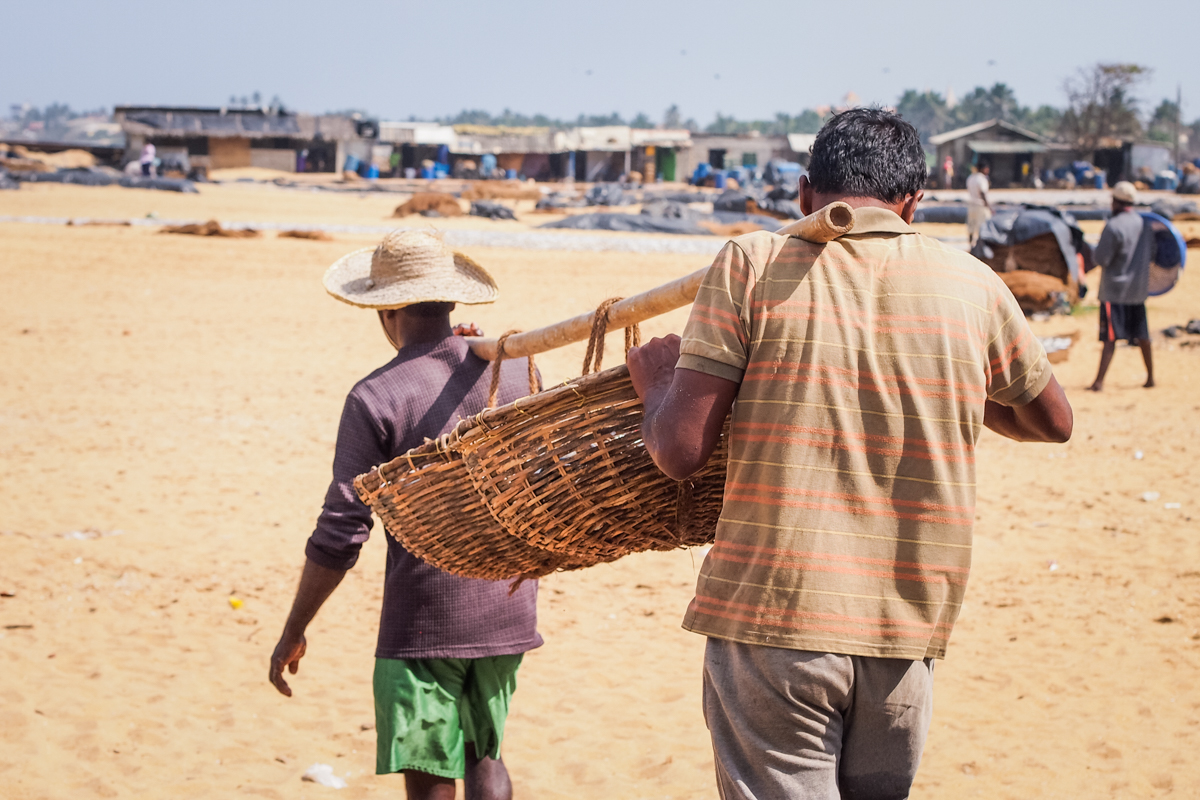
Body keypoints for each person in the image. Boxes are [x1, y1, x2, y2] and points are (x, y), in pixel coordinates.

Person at [626, 108, 1073, 800]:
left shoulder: (753, 261)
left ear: (805, 194)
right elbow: (1052, 421)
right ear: (914, 204)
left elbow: (681, 451)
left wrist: (657, 385)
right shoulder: (973, 283)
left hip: (776, 617)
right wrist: (942, 378)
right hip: (906, 630)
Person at [269, 230, 542, 800]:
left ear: (386, 310)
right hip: (508, 605)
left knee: (429, 773)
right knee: (486, 754)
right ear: (451, 301)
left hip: (425, 617)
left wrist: (295, 627)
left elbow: (342, 530)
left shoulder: (376, 396)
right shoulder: (515, 371)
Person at [1088, 181, 1154, 391]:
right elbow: (1153, 253)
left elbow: (1101, 259)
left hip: (1114, 292)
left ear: (1115, 202)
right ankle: (1150, 378)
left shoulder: (1113, 226)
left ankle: (1099, 382)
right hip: (1137, 291)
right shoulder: (1145, 225)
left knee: (1110, 338)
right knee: (1143, 335)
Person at [966, 162, 992, 245]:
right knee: (982, 225)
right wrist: (988, 206)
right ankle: (981, 245)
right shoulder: (982, 179)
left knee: (971, 225)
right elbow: (982, 193)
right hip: (980, 205)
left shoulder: (970, 177)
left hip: (972, 204)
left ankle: (970, 243)